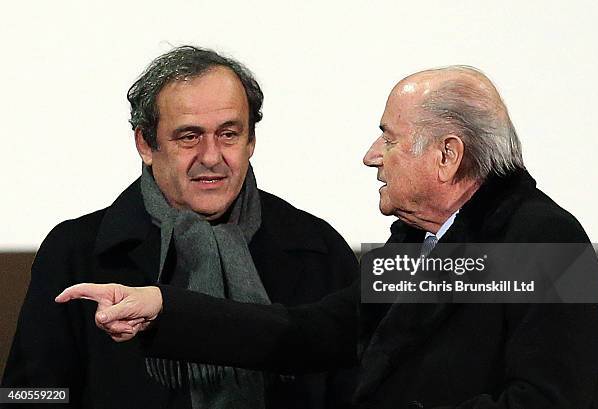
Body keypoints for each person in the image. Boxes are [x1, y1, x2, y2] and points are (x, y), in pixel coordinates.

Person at [56, 66, 598, 408]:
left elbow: (550, 401)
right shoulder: (417, 243)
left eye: (388, 138)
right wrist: (163, 308)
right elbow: (311, 332)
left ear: (447, 155)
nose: (371, 155)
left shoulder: (545, 241)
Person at [2, 46, 358, 409]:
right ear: (145, 143)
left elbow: (359, 388)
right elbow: (29, 394)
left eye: (229, 134)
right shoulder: (75, 251)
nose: (210, 156)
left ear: (251, 140)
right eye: (189, 136)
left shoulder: (317, 246)